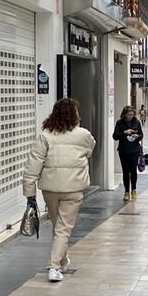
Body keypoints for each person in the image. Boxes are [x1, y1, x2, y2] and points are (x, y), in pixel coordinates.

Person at [22, 98, 97, 283]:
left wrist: (29, 192)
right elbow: (90, 150)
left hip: (50, 189)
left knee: (58, 227)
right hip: (73, 188)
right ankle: (54, 267)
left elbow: (33, 164)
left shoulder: (46, 135)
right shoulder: (83, 135)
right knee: (63, 228)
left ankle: (63, 261)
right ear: (75, 115)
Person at [113, 106, 144, 201]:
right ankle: (126, 191)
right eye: (129, 114)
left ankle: (134, 189)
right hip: (123, 150)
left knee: (133, 170)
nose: (131, 116)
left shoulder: (136, 122)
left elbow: (141, 135)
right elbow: (115, 136)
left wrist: (137, 136)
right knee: (125, 171)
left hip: (134, 149)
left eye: (132, 114)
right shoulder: (119, 123)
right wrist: (124, 132)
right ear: (124, 114)